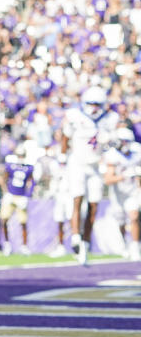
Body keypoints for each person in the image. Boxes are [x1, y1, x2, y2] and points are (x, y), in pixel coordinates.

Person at [61, 86, 119, 266]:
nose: (94, 107)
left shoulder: (110, 119)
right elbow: (65, 136)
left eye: (97, 104)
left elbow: (112, 143)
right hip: (77, 162)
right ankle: (76, 237)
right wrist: (63, 156)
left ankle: (85, 244)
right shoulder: (74, 116)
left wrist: (109, 142)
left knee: (94, 205)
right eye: (91, 103)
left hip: (95, 165)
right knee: (77, 198)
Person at [103, 127, 141, 261]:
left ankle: (135, 247)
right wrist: (123, 176)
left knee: (134, 216)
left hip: (133, 192)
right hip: (118, 193)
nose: (125, 144)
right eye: (123, 141)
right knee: (121, 221)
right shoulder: (113, 155)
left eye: (127, 141)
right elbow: (107, 179)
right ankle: (125, 243)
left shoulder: (137, 151)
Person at [0, 144, 38, 256]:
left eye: (22, 155)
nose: (20, 157)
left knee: (23, 222)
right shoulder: (10, 166)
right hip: (11, 195)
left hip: (21, 196)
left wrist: (28, 195)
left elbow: (32, 182)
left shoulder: (29, 167)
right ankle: (7, 244)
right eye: (19, 155)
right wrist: (6, 192)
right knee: (4, 219)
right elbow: (4, 179)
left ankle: (24, 246)